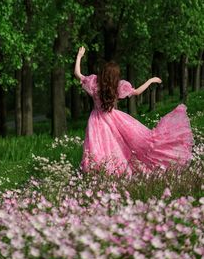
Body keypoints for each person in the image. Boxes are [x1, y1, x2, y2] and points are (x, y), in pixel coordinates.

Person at [74, 46, 194, 176]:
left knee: (99, 146)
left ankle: (101, 171)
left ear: (102, 73)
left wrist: (79, 56)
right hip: (115, 118)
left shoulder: (94, 84)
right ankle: (117, 170)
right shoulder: (117, 87)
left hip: (96, 120)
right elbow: (136, 92)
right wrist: (151, 80)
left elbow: (77, 74)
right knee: (124, 143)